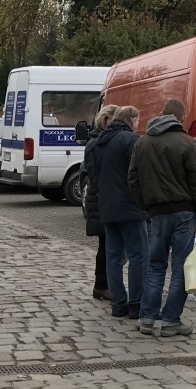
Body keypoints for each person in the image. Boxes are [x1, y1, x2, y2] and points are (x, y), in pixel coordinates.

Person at [129, 98, 196, 337]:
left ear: (160, 113)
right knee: (180, 268)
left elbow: (132, 180)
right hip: (185, 212)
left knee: (155, 265)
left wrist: (146, 205)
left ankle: (146, 318)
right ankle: (170, 321)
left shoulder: (142, 143)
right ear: (181, 119)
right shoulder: (187, 143)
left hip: (157, 213)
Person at [88, 105, 147, 319]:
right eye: (138, 119)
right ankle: (137, 304)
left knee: (113, 256)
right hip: (129, 206)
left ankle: (118, 304)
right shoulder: (130, 140)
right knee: (138, 255)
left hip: (106, 206)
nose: (139, 124)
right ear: (131, 119)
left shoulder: (100, 142)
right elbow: (138, 173)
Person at [81, 105, 118, 301]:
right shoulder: (96, 144)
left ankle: (104, 284)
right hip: (100, 200)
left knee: (107, 245)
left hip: (102, 199)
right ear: (105, 120)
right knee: (105, 245)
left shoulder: (98, 142)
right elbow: (97, 174)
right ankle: (102, 285)